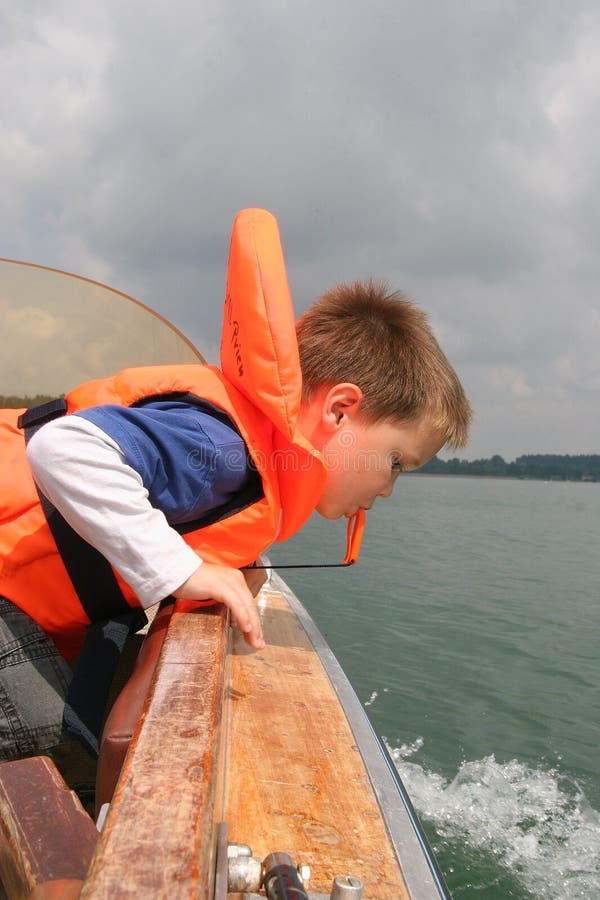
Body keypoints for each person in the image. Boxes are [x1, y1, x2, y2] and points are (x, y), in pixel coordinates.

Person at [0, 208, 471, 765]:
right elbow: (65, 449)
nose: (389, 489)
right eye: (396, 462)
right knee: (52, 748)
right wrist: (184, 571)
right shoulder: (223, 445)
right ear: (341, 410)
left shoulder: (254, 459)